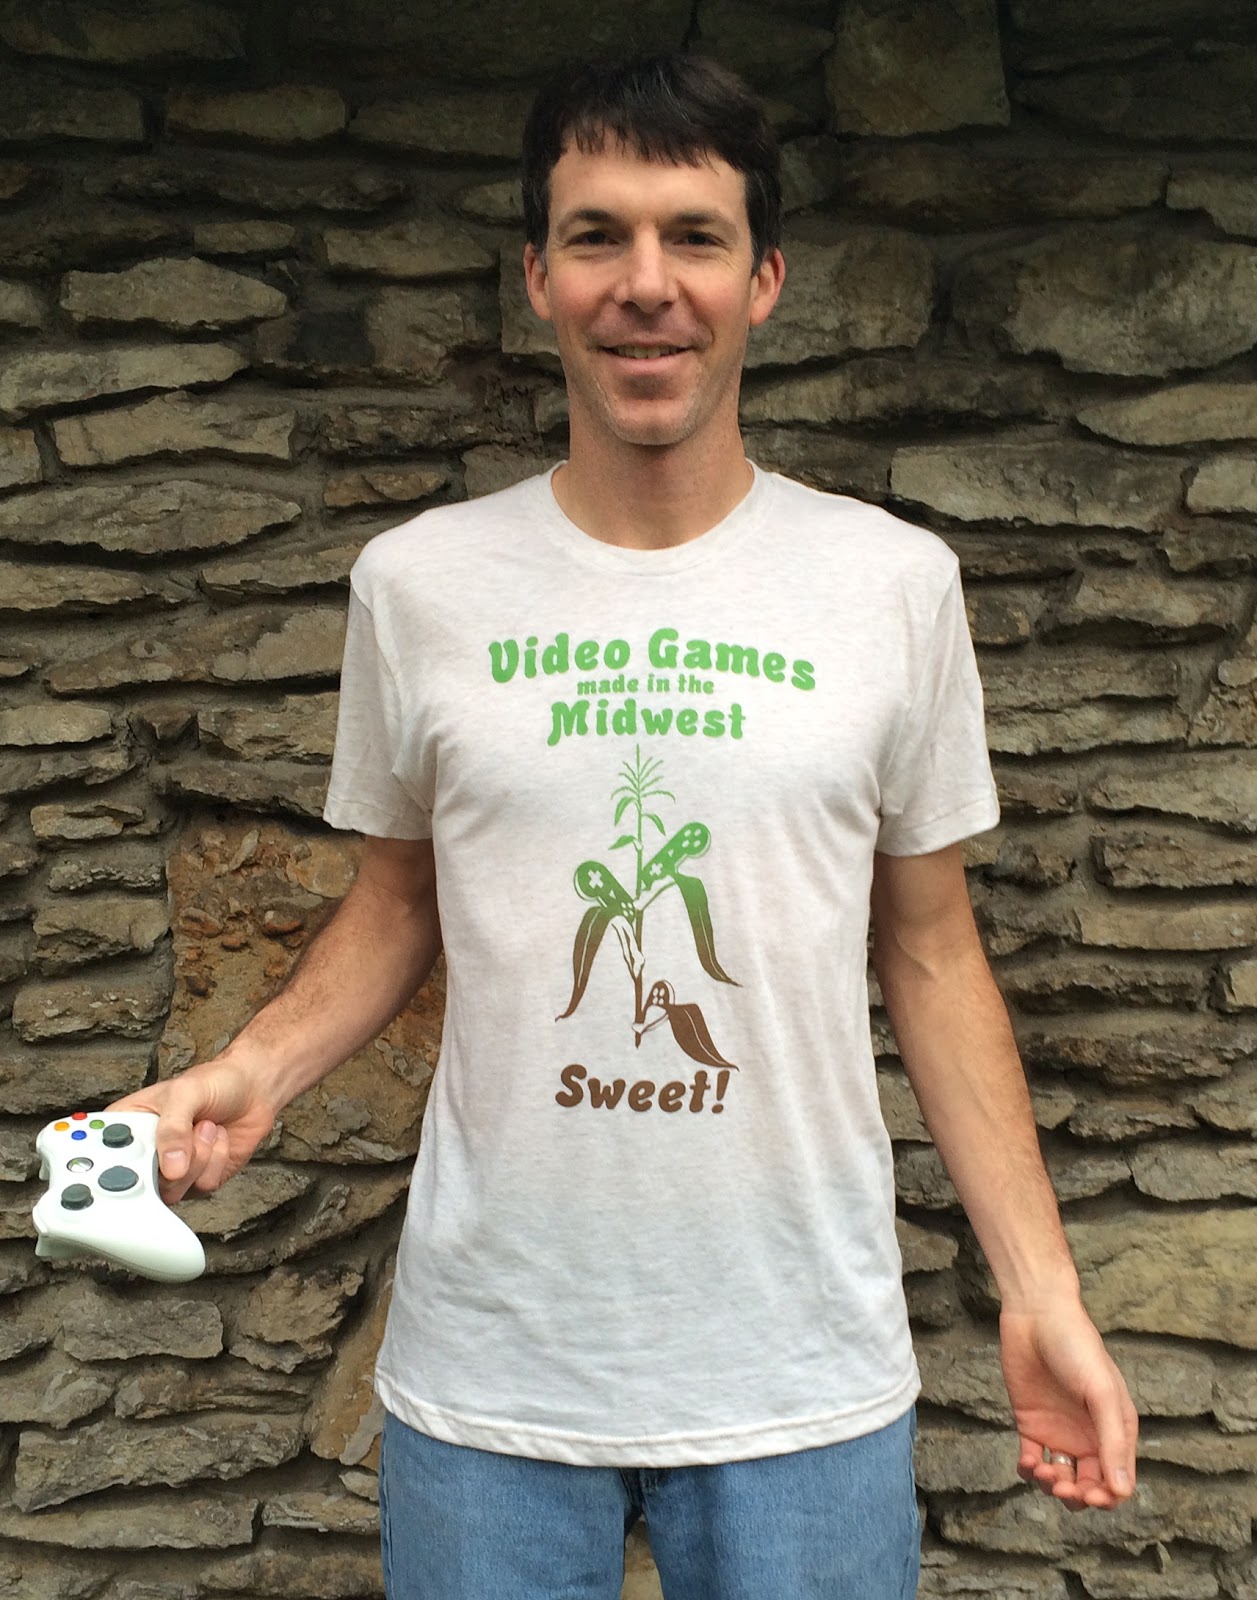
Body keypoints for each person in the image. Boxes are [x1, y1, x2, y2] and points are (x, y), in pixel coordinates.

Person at [114, 52, 1138, 1600]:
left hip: (800, 1376)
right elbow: (399, 903)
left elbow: (931, 952)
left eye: (693, 236)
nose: (644, 284)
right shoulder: (419, 584)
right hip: (494, 1374)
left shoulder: (890, 585)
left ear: (763, 279)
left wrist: (1040, 1288)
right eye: (596, 235)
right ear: (537, 276)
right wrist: (253, 1070)